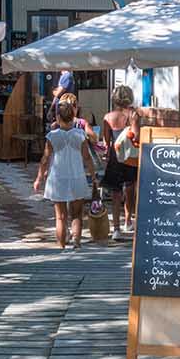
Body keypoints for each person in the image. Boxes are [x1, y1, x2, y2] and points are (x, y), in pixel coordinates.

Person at [35, 100, 95, 250]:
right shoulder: (80, 135)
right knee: (77, 214)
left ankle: (61, 246)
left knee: (60, 217)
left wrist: (39, 178)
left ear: (58, 118)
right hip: (77, 176)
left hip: (57, 178)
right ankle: (77, 242)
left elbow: (45, 159)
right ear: (73, 115)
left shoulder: (52, 136)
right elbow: (87, 157)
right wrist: (93, 175)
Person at [101, 85, 141, 241]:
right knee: (130, 189)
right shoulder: (133, 114)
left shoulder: (107, 117)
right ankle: (128, 221)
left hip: (114, 156)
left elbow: (106, 142)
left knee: (116, 192)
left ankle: (116, 229)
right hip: (130, 157)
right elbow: (136, 137)